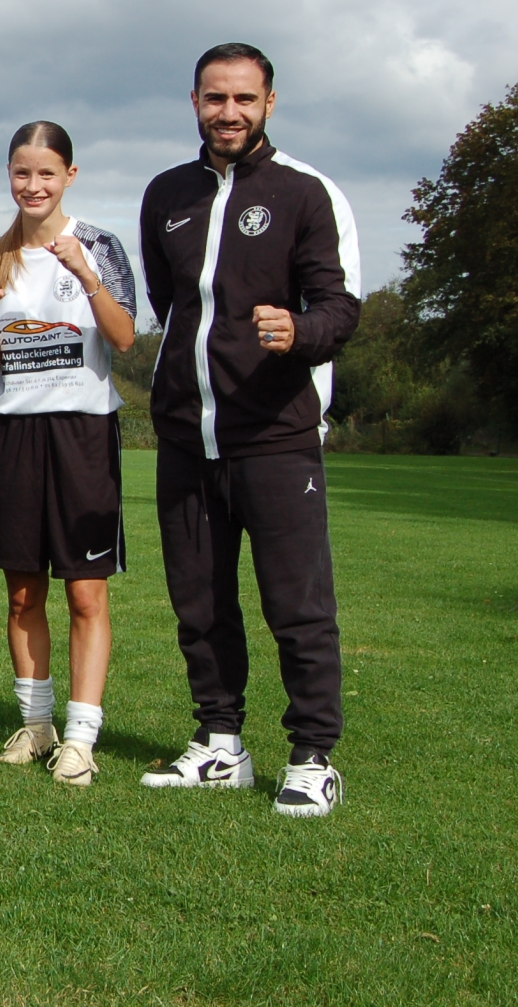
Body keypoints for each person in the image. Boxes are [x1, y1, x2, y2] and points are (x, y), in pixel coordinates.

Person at [138, 43, 360, 817]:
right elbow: (171, 306)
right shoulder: (167, 193)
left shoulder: (304, 194)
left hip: (275, 438)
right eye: (214, 98)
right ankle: (220, 743)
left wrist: (298, 331)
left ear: (269, 102)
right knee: (199, 604)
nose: (227, 112)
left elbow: (340, 309)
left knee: (297, 606)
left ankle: (313, 755)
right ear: (194, 102)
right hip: (184, 437)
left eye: (243, 98)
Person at [0, 121, 137, 786]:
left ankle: (81, 737)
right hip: (14, 431)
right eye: (21, 172)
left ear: (69, 175)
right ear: (9, 176)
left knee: (86, 594)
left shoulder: (98, 244)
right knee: (21, 593)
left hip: (82, 431)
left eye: (46, 173)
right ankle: (36, 724)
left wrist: (86, 277)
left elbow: (124, 339)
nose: (33, 185)